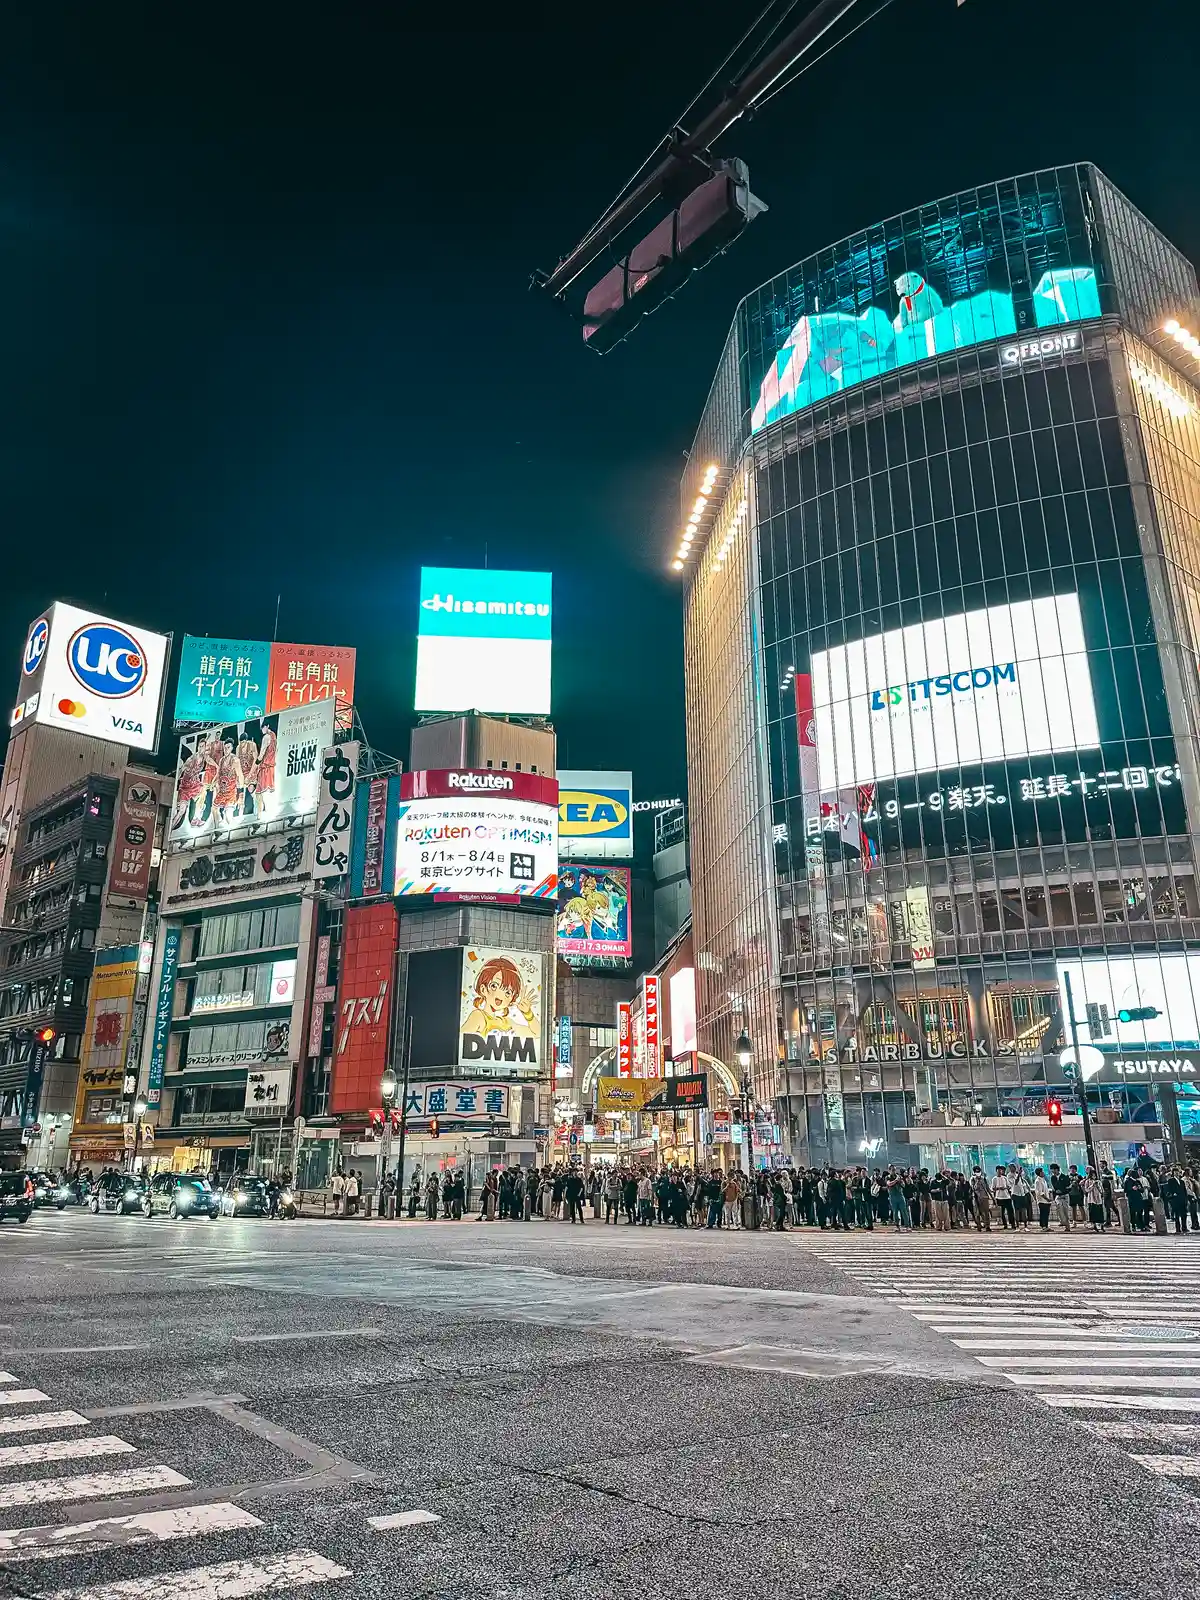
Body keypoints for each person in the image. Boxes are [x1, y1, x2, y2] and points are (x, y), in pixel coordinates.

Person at [1083, 1167, 1107, 1232]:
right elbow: (1087, 1190)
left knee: (1100, 1212)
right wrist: (1092, 1185)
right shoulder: (1087, 1181)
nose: (1094, 1176)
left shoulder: (1099, 1181)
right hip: (1091, 1199)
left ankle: (1101, 1225)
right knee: (1093, 1213)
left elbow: (1102, 1190)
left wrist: (1098, 1186)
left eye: (1095, 1175)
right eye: (1092, 1175)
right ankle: (1094, 1225)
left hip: (1098, 1199)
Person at [992, 1166, 1015, 1230]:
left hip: (1007, 1196)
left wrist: (1005, 1188)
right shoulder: (994, 1179)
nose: (1000, 1172)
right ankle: (1005, 1224)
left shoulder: (1005, 1178)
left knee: (1010, 1211)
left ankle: (1012, 1224)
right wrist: (998, 1188)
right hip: (999, 1197)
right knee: (1002, 1212)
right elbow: (993, 1188)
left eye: (1001, 1171)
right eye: (998, 1171)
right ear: (996, 1171)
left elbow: (1009, 1186)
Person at [970, 1167, 992, 1232]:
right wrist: (977, 1180)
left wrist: (992, 1197)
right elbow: (974, 1188)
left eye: (979, 1171)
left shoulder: (984, 1179)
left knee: (986, 1213)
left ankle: (987, 1226)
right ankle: (979, 1226)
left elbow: (987, 1188)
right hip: (976, 1198)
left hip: (984, 1197)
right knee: (977, 1213)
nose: (978, 1173)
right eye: (976, 1171)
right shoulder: (972, 1179)